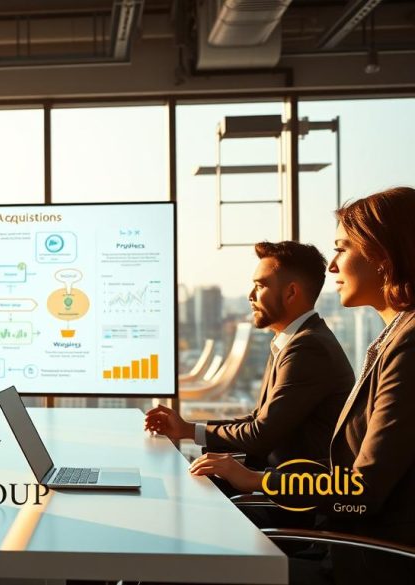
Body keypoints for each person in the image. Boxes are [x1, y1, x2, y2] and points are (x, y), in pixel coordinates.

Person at [190, 187, 415, 582]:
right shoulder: (393, 338)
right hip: (344, 543)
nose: (333, 266)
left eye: (342, 249)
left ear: (382, 257)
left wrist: (258, 481)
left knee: (189, 562)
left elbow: (363, 490)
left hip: (363, 563)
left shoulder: (408, 346)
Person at [146, 241, 353, 473]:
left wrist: (190, 431)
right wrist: (187, 429)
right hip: (273, 479)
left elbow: (259, 435)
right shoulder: (291, 341)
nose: (250, 295)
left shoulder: (308, 348)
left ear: (291, 292)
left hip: (292, 489)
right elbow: (257, 420)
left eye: (260, 286)